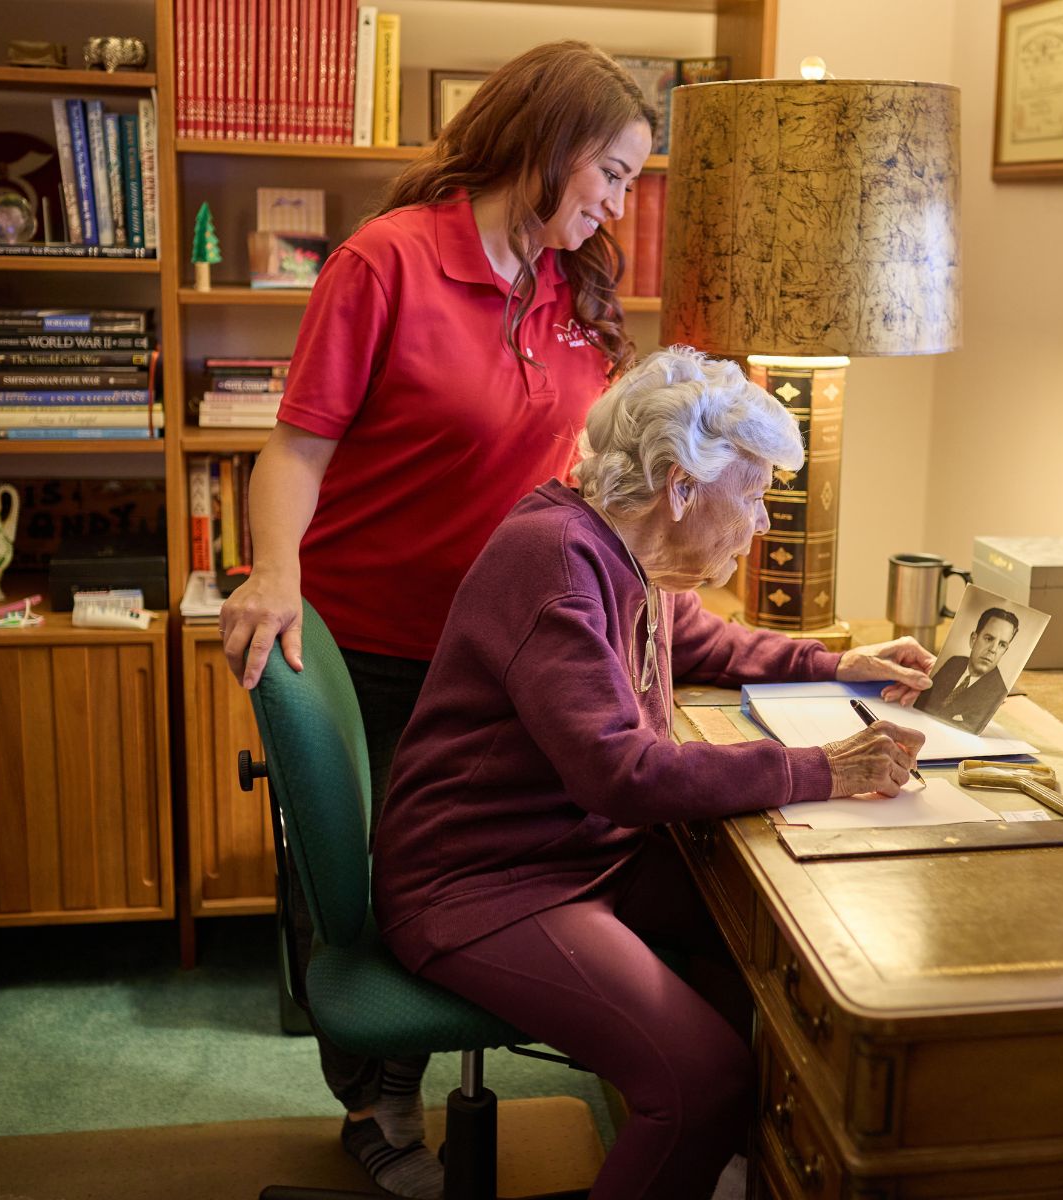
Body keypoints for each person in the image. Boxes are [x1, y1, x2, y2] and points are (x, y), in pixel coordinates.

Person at [217, 40, 656, 1199]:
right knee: (363, 898)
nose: (619, 202)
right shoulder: (387, 263)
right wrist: (273, 572)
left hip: (513, 646)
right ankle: (379, 1106)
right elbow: (296, 447)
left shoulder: (576, 282)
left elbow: (583, 465)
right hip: (371, 644)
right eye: (611, 172)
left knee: (475, 886)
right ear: (551, 143)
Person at [373, 347, 936, 1200]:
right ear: (680, 486)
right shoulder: (557, 563)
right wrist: (820, 769)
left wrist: (835, 660)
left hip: (581, 853)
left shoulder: (624, 547)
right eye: (751, 494)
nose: (764, 521)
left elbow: (703, 640)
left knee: (781, 947)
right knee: (701, 1082)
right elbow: (622, 773)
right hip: (484, 883)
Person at [918, 605, 1020, 732]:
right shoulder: (954, 663)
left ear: (1005, 651)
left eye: (1002, 645)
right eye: (989, 639)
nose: (993, 650)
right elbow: (923, 702)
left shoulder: (997, 691)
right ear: (973, 639)